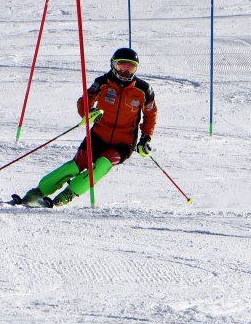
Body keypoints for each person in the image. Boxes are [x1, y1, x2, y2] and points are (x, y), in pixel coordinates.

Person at [17, 47, 158, 207]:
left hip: (123, 143)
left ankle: (67, 194)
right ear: (113, 65)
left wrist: (146, 138)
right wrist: (88, 112)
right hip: (98, 136)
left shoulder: (143, 90)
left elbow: (150, 115)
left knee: (103, 164)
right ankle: (37, 192)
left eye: (130, 67)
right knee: (75, 165)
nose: (125, 71)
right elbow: (84, 101)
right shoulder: (102, 82)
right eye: (121, 66)